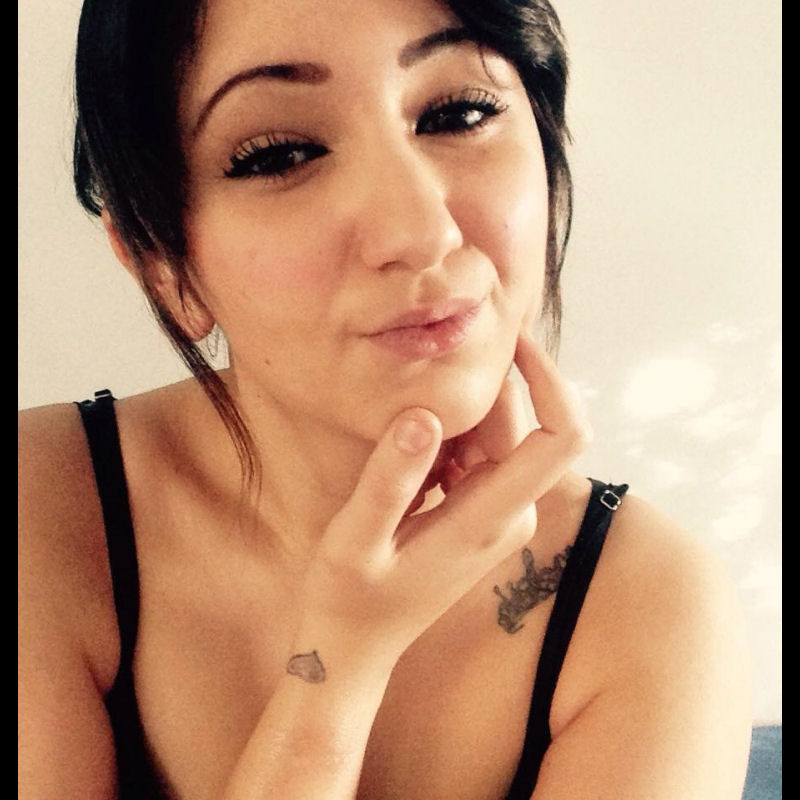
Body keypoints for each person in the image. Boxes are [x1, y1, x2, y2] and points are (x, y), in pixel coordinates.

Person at [18, 0, 754, 797]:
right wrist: (340, 665)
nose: (421, 231)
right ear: (163, 264)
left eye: (459, 112)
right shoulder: (45, 514)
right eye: (281, 154)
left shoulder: (650, 608)